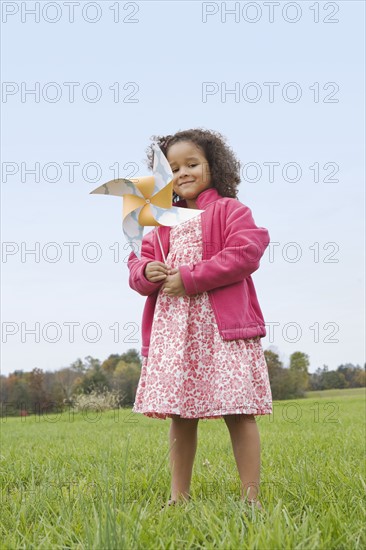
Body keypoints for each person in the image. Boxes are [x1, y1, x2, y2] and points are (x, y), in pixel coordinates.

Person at [127, 128, 273, 511]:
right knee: (180, 413)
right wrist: (147, 271)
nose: (182, 173)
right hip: (177, 332)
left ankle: (251, 500)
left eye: (192, 164)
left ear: (214, 166)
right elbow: (135, 267)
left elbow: (247, 252)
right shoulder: (159, 223)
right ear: (162, 178)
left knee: (238, 411)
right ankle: (179, 498)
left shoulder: (230, 210)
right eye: (173, 168)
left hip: (222, 329)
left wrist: (189, 278)